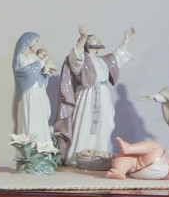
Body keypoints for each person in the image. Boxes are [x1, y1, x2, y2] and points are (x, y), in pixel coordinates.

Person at [57, 26, 135, 166]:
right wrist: (81, 39)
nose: (97, 41)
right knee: (84, 123)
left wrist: (126, 41)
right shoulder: (83, 59)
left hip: (103, 95)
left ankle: (100, 154)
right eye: (93, 39)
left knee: (105, 123)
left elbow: (117, 56)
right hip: (87, 95)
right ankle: (77, 156)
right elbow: (75, 58)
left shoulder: (103, 60)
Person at [13, 32, 56, 152]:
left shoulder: (32, 54)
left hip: (39, 88)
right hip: (30, 90)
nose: (36, 44)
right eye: (35, 41)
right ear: (28, 41)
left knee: (43, 113)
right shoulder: (21, 55)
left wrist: (45, 70)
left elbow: (37, 70)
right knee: (32, 115)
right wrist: (42, 62)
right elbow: (27, 71)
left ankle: (42, 145)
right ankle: (33, 146)